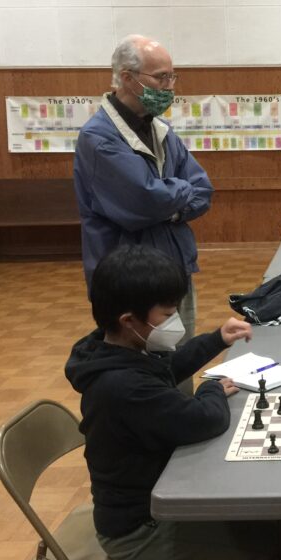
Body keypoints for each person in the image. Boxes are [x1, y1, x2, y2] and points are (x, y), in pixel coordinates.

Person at [65, 244, 281, 560]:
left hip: (152, 499)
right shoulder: (123, 387)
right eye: (168, 313)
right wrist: (214, 389)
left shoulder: (109, 349)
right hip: (138, 527)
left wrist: (216, 338)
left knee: (269, 529)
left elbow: (166, 368)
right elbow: (201, 421)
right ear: (132, 320)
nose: (175, 320)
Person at [73, 34, 212, 349]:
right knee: (143, 373)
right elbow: (145, 201)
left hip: (174, 269)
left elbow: (203, 189)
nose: (170, 86)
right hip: (129, 282)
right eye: (161, 77)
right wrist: (174, 196)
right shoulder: (99, 138)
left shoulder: (160, 129)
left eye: (172, 76)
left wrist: (171, 203)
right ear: (127, 78)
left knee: (178, 360)